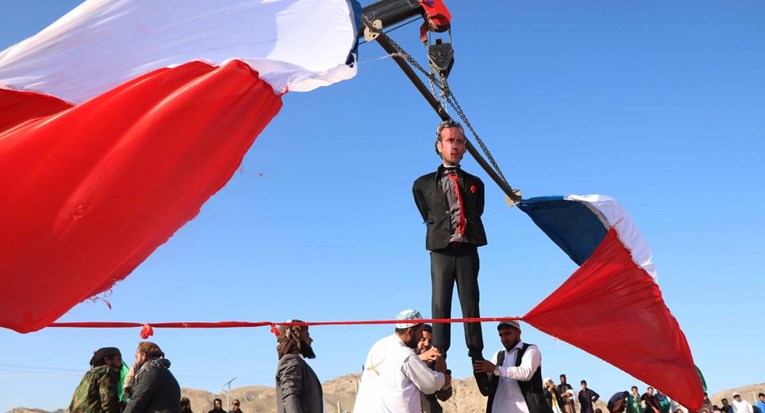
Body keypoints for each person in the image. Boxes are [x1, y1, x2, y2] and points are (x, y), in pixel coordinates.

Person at [412, 119, 489, 393]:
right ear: (439, 145)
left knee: (471, 303)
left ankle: (477, 358)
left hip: (467, 249)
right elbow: (426, 212)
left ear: (465, 147)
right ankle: (439, 359)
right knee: (440, 303)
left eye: (459, 141)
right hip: (441, 249)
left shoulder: (476, 183)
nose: (454, 146)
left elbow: (477, 210)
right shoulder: (422, 184)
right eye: (449, 141)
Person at [354, 309, 450, 413]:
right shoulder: (406, 355)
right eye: (420, 333)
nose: (421, 337)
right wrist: (442, 374)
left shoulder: (378, 346)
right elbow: (430, 384)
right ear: (410, 332)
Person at [473, 320, 553, 413]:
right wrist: (480, 369)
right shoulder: (498, 355)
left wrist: (496, 369)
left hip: (526, 409)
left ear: (518, 332)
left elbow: (526, 373)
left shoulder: (531, 350)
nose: (504, 338)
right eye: (501, 335)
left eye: (507, 333)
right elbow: (490, 380)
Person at [275, 319, 323, 413]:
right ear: (296, 336)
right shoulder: (291, 360)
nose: (311, 340)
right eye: (307, 334)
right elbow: (290, 396)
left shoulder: (298, 362)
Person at [123, 342, 181, 413]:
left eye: (136, 357)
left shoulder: (151, 371)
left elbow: (136, 402)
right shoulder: (162, 371)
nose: (135, 362)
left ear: (143, 356)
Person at [69, 347, 123, 413]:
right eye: (119, 360)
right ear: (107, 360)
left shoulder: (89, 373)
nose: (121, 364)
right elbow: (108, 402)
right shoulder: (107, 372)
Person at [417, 324, 453, 413]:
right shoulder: (404, 359)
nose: (426, 344)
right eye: (423, 339)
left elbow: (443, 396)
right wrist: (419, 359)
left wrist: (444, 377)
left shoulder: (435, 363)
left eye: (430, 341)